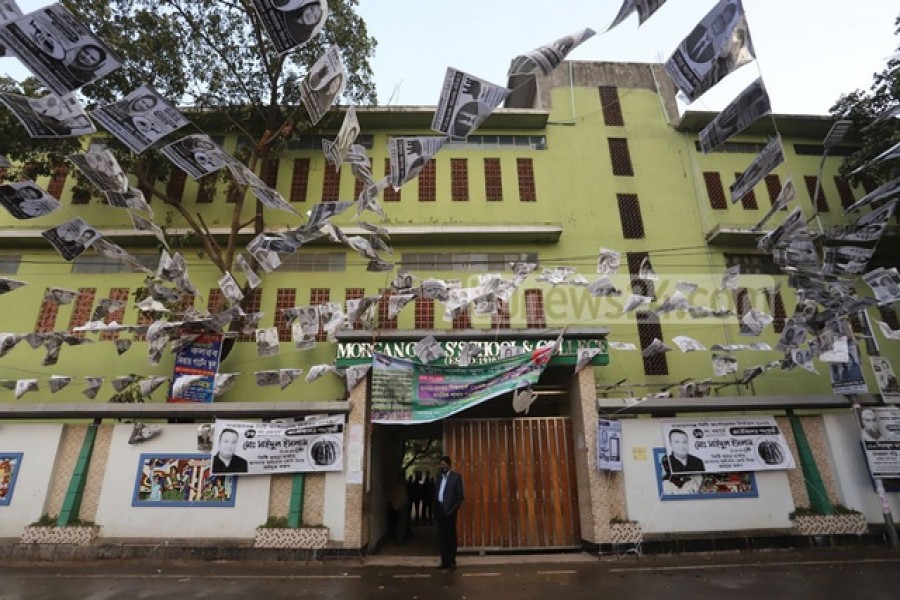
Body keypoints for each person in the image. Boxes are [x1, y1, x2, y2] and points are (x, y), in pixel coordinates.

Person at [435, 455, 464, 572]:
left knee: (450, 538)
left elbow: (460, 497)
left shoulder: (456, 477)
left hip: (450, 512)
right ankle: (444, 562)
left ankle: (452, 563)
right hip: (440, 511)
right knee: (442, 538)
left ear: (449, 465)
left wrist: (453, 510)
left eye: (445, 465)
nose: (443, 467)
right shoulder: (438, 477)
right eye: (441, 465)